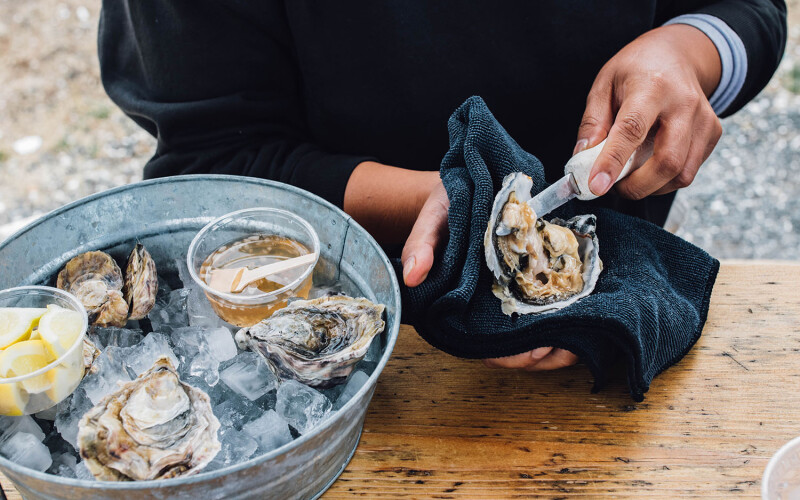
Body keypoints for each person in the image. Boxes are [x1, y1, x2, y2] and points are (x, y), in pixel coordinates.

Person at [98, 1, 786, 371]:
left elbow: (749, 10)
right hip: (354, 342)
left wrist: (688, 50)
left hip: (624, 284)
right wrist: (454, 206)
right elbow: (213, 159)